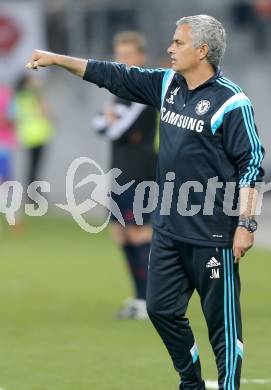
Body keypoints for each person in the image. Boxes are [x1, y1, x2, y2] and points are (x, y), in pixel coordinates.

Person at [26, 14, 265, 390]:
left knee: (223, 326)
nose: (169, 48)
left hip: (213, 233)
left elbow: (251, 164)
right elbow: (112, 74)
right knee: (160, 310)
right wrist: (58, 58)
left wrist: (246, 225)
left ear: (202, 50)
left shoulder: (232, 102)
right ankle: (191, 381)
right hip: (169, 228)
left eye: (178, 43)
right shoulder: (168, 84)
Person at [92, 31, 158, 320]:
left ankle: (149, 300)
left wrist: (109, 120)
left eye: (128, 55)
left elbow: (116, 128)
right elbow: (97, 122)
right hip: (120, 170)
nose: (123, 61)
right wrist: (107, 120)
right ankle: (139, 297)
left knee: (139, 231)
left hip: (140, 171)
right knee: (120, 233)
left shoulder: (144, 91)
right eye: (119, 55)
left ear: (140, 57)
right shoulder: (120, 91)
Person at [12, 74, 54, 195]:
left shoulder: (21, 97)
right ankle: (34, 193)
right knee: (34, 167)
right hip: (36, 136)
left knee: (33, 167)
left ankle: (33, 192)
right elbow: (49, 113)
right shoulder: (33, 97)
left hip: (33, 136)